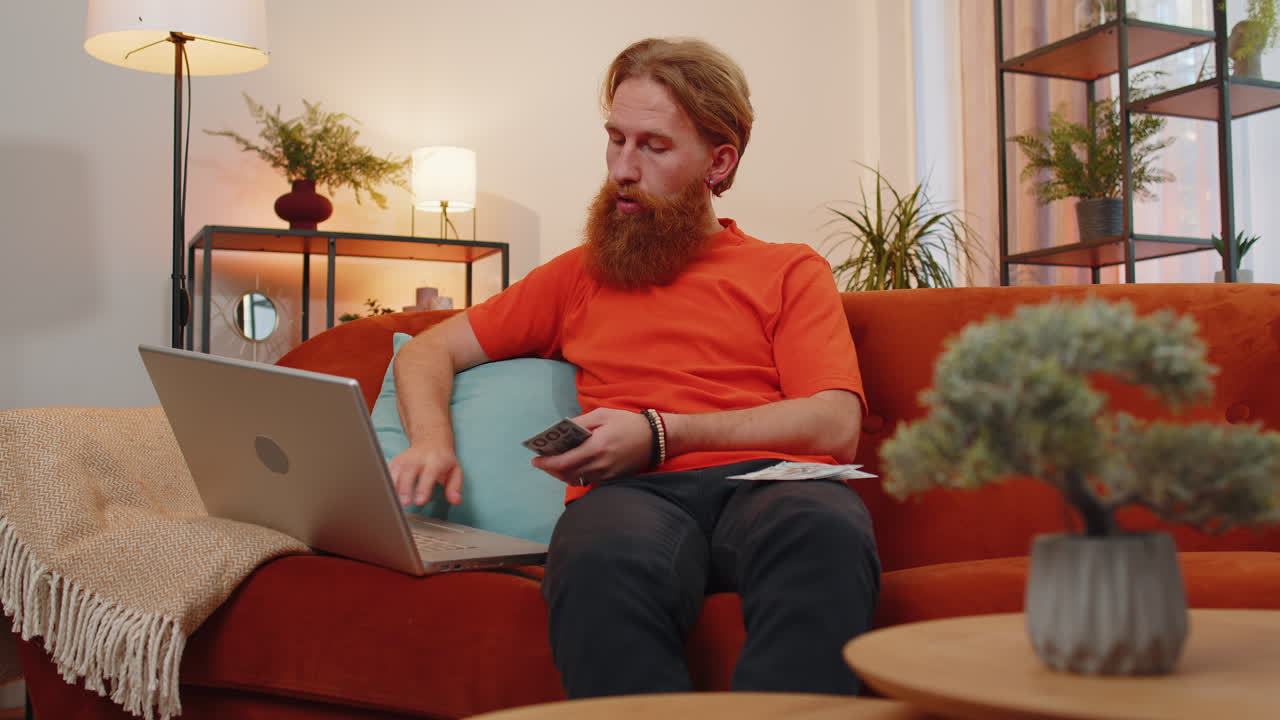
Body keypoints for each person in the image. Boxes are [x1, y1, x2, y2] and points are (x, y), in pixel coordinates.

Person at [389, 37, 880, 698]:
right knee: (597, 560)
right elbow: (427, 349)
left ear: (719, 161)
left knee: (826, 531)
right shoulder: (578, 275)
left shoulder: (787, 270)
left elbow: (834, 423)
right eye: (615, 139)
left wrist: (661, 433)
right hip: (634, 493)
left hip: (772, 480)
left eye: (653, 146)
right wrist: (431, 441)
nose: (622, 167)